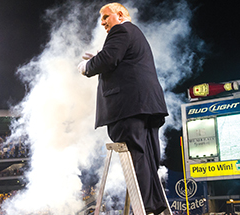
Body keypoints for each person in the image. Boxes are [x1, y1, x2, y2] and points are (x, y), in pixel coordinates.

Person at [77, 2, 169, 215]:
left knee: (136, 154)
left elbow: (110, 59)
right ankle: (153, 204)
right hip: (147, 105)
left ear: (119, 14)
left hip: (127, 107)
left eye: (105, 17)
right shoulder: (135, 33)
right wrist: (100, 56)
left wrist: (88, 67)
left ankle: (145, 206)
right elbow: (119, 60)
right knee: (147, 155)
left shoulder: (120, 29)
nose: (102, 22)